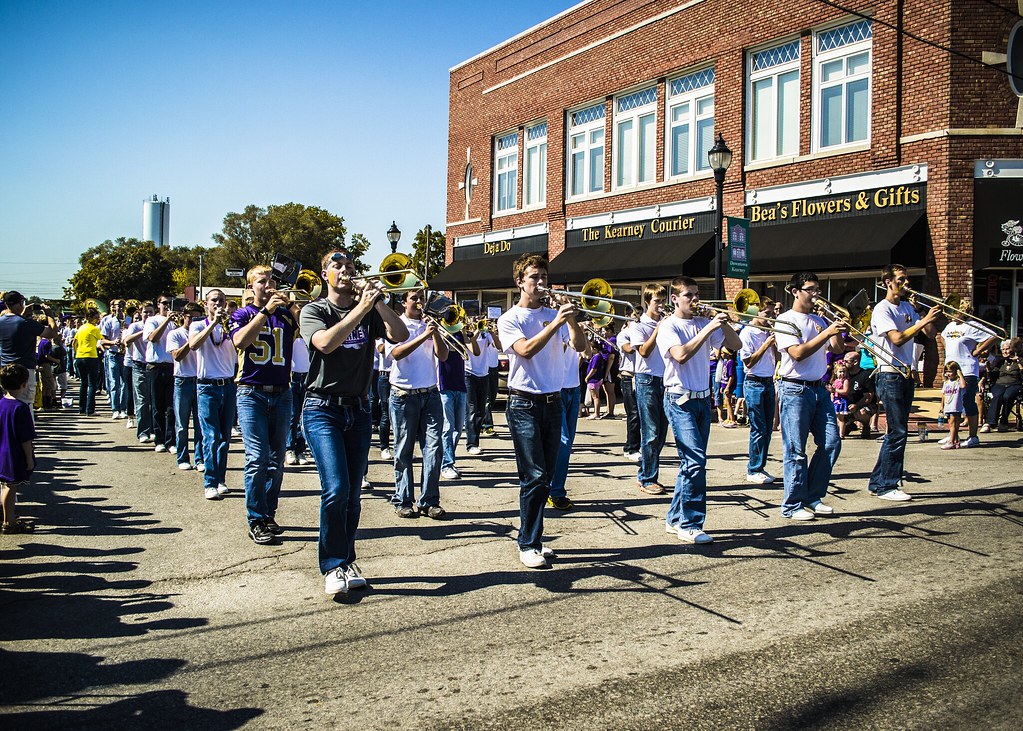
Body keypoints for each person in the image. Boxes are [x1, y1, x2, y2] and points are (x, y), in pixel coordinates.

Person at [300, 249, 408, 595]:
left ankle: (346, 559)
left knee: (354, 495)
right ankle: (332, 565)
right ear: (324, 274)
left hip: (359, 410)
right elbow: (325, 344)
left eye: (350, 266)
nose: (345, 271)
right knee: (336, 488)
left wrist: (376, 303)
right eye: (337, 266)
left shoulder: (368, 308)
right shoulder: (314, 310)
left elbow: (400, 334)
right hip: (322, 409)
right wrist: (361, 309)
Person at [498, 254, 587, 568]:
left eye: (544, 278)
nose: (540, 283)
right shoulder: (510, 318)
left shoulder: (555, 314)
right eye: (534, 277)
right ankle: (528, 543)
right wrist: (556, 323)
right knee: (534, 475)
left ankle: (532, 536)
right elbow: (525, 349)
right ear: (520, 281)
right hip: (523, 403)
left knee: (545, 478)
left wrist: (570, 319)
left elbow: (580, 347)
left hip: (553, 400)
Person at [657, 276, 742, 543]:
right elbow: (680, 355)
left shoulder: (704, 322)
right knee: (695, 462)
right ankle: (690, 523)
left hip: (703, 399)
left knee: (690, 464)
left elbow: (736, 346)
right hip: (679, 399)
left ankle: (674, 518)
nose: (695, 300)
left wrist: (724, 323)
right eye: (688, 296)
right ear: (674, 299)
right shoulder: (668, 326)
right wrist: (707, 330)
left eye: (696, 295)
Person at [230, 267, 298, 545]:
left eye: (271, 281)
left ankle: (268, 514)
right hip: (251, 392)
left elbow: (307, 329)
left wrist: (291, 304)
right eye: (262, 281)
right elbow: (240, 341)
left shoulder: (284, 314)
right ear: (251, 288)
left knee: (276, 460)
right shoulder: (243, 314)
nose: (268, 285)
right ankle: (256, 517)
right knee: (257, 458)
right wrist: (265, 312)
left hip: (282, 392)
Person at [773, 272, 846, 520]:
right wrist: (825, 333)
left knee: (831, 443)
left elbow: (837, 349)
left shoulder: (819, 319)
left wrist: (833, 325)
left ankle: (813, 496)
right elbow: (797, 353)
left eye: (817, 289)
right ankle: (792, 505)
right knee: (796, 450)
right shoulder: (785, 320)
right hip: (794, 388)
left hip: (819, 387)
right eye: (810, 289)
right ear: (795, 291)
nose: (816, 294)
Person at [868, 264, 940, 500]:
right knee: (898, 431)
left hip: (905, 373)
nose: (905, 283)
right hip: (890, 373)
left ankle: (878, 481)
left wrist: (924, 312)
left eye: (906, 279)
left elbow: (929, 333)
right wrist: (919, 322)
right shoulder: (882, 309)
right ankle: (888, 486)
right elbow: (897, 339)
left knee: (895, 432)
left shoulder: (908, 306)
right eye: (900, 279)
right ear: (888, 282)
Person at [386, 290, 448, 519]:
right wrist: (422, 337)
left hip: (430, 393)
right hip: (404, 395)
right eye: (414, 298)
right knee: (403, 450)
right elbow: (396, 354)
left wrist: (436, 334)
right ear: (404, 303)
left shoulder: (431, 324)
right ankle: (403, 499)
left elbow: (443, 357)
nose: (420, 303)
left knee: (433, 449)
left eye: (422, 298)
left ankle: (429, 500)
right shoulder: (395, 325)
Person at [189, 289, 237, 501]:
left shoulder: (231, 325)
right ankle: (209, 482)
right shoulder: (198, 325)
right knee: (211, 436)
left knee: (225, 438)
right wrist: (213, 324)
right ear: (206, 304)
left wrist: (226, 325)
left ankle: (220, 478)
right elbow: (193, 345)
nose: (218, 304)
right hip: (207, 386)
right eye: (214, 301)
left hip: (228, 385)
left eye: (222, 301)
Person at [627, 283, 669, 496]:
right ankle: (648, 478)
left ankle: (644, 472)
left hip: (666, 379)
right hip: (647, 380)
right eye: (657, 301)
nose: (661, 305)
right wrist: (659, 330)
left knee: (661, 433)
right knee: (650, 432)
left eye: (663, 300)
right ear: (647, 303)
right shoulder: (638, 325)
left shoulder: (667, 323)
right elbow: (643, 351)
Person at [548, 316, 591, 511]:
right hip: (557, 389)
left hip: (574, 390)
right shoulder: (558, 330)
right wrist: (570, 329)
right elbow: (559, 352)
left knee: (567, 443)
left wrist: (583, 333)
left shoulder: (575, 332)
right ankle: (555, 491)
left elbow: (587, 354)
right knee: (563, 442)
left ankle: (554, 487)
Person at [938, 311, 999, 448]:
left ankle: (973, 436)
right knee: (952, 404)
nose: (952, 315)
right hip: (951, 371)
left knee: (967, 402)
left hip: (967, 370)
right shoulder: (950, 326)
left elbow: (994, 336)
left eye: (955, 312)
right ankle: (954, 434)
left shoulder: (971, 325)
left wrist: (978, 351)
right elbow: (942, 336)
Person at [738, 298, 778, 483]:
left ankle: (760, 467)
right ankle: (753, 469)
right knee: (758, 428)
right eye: (767, 314)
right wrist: (766, 345)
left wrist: (776, 344)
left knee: (768, 428)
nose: (771, 317)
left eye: (772, 313)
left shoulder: (769, 332)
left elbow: (777, 358)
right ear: (757, 313)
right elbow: (748, 362)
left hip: (769, 381)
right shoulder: (748, 333)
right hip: (754, 382)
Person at [0, 292, 55, 421]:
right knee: (25, 404)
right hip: (25, 369)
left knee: (7, 401)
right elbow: (52, 332)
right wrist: (49, 314)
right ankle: (26, 436)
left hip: (5, 368)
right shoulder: (26, 323)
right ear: (20, 303)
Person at [0, 364, 37, 533]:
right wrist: (29, 460)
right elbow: (26, 439)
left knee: (5, 486)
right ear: (23, 384)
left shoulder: (1, 403)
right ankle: (9, 521)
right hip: (12, 453)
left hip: (2, 450)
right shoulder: (20, 408)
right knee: (11, 486)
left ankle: (8, 516)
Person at [439, 326, 479, 480]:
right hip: (444, 385)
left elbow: (475, 352)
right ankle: (446, 464)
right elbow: (441, 354)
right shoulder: (441, 332)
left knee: (458, 429)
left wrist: (470, 335)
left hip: (460, 385)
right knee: (447, 428)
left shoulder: (459, 335)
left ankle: (448, 460)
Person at [168, 306, 205, 471]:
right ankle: (182, 457)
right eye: (191, 317)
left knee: (200, 424)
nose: (194, 321)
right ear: (184, 316)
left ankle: (200, 459)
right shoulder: (175, 334)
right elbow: (177, 356)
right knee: (182, 424)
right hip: (182, 380)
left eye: (198, 318)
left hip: (200, 380)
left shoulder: (203, 332)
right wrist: (191, 341)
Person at [143, 296, 177, 454]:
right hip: (155, 366)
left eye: (170, 303)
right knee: (157, 406)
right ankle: (159, 439)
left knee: (171, 407)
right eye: (164, 303)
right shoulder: (152, 320)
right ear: (158, 305)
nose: (167, 306)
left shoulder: (175, 322)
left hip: (171, 366)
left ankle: (171, 440)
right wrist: (166, 320)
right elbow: (153, 338)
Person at [123, 301, 155, 443]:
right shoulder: (135, 326)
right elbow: (127, 341)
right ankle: (143, 432)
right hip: (139, 365)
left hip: (154, 366)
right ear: (140, 313)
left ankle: (154, 430)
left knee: (154, 400)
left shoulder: (157, 324)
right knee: (142, 400)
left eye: (150, 312)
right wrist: (144, 331)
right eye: (145, 312)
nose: (148, 315)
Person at [464, 322, 496, 457]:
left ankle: (475, 440)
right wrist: (476, 331)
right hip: (469, 374)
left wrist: (492, 332)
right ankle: (471, 444)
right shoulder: (465, 335)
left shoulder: (485, 335)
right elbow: (474, 351)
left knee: (481, 411)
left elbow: (499, 346)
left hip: (484, 374)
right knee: (471, 410)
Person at [286, 316, 312, 467]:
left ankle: (300, 449)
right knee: (292, 415)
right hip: (294, 377)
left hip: (308, 377)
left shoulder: (311, 338)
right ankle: (290, 449)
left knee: (303, 416)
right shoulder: (292, 338)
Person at [982, 338, 1022, 432]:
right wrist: (988, 370)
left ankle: (1003, 422)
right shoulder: (999, 361)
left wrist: (1019, 364)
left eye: (1007, 349)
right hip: (1000, 384)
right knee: (997, 395)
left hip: (1014, 384)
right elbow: (992, 377)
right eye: (1003, 349)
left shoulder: (1020, 360)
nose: (1005, 351)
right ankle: (990, 423)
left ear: (1012, 349)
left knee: (1007, 396)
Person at [100, 299, 128, 419]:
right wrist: (113, 342)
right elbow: (103, 340)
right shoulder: (109, 321)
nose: (120, 308)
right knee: (114, 383)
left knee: (125, 383)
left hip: (125, 355)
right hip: (113, 354)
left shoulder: (129, 321)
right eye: (117, 306)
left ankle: (123, 408)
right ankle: (115, 408)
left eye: (122, 306)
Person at [617, 320, 641, 462]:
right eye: (634, 317)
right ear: (627, 319)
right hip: (628, 377)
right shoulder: (624, 334)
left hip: (643, 376)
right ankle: (630, 448)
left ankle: (639, 446)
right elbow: (629, 349)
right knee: (633, 414)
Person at [838, 351, 876, 439]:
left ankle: (866, 426)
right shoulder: (843, 374)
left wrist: (857, 405)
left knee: (861, 412)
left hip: (862, 405)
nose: (844, 363)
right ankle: (849, 424)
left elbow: (869, 396)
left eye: (846, 361)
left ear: (855, 362)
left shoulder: (865, 375)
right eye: (843, 361)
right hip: (846, 405)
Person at [73, 308, 104, 416]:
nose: (97, 320)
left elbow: (74, 342)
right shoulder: (94, 329)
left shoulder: (81, 328)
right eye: (96, 318)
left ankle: (81, 408)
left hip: (79, 357)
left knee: (83, 384)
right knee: (92, 385)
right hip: (91, 356)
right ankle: (90, 410)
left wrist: (77, 352)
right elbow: (102, 340)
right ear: (89, 317)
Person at [940, 361, 967, 450]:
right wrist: (942, 406)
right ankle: (956, 441)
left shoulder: (958, 381)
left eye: (950, 371)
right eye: (947, 371)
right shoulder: (946, 382)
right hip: (948, 406)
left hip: (955, 406)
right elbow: (943, 395)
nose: (948, 374)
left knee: (953, 424)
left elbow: (963, 386)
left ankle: (951, 442)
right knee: (951, 424)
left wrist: (960, 374)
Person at [375, 338, 394, 459]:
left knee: (402, 416)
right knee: (386, 413)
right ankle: (384, 447)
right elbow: (381, 349)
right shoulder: (382, 334)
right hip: (385, 376)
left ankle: (399, 447)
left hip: (399, 375)